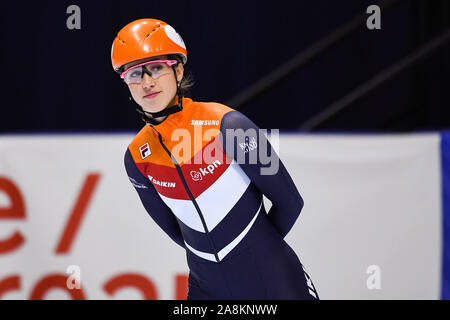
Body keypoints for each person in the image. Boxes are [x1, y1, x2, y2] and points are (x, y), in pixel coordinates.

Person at [111, 18, 319, 300]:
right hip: (205, 288)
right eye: (135, 74)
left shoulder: (228, 125)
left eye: (157, 68)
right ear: (126, 82)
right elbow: (176, 232)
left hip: (272, 279)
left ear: (178, 69)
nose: (147, 82)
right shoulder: (136, 158)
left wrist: (257, 252)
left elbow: (290, 201)